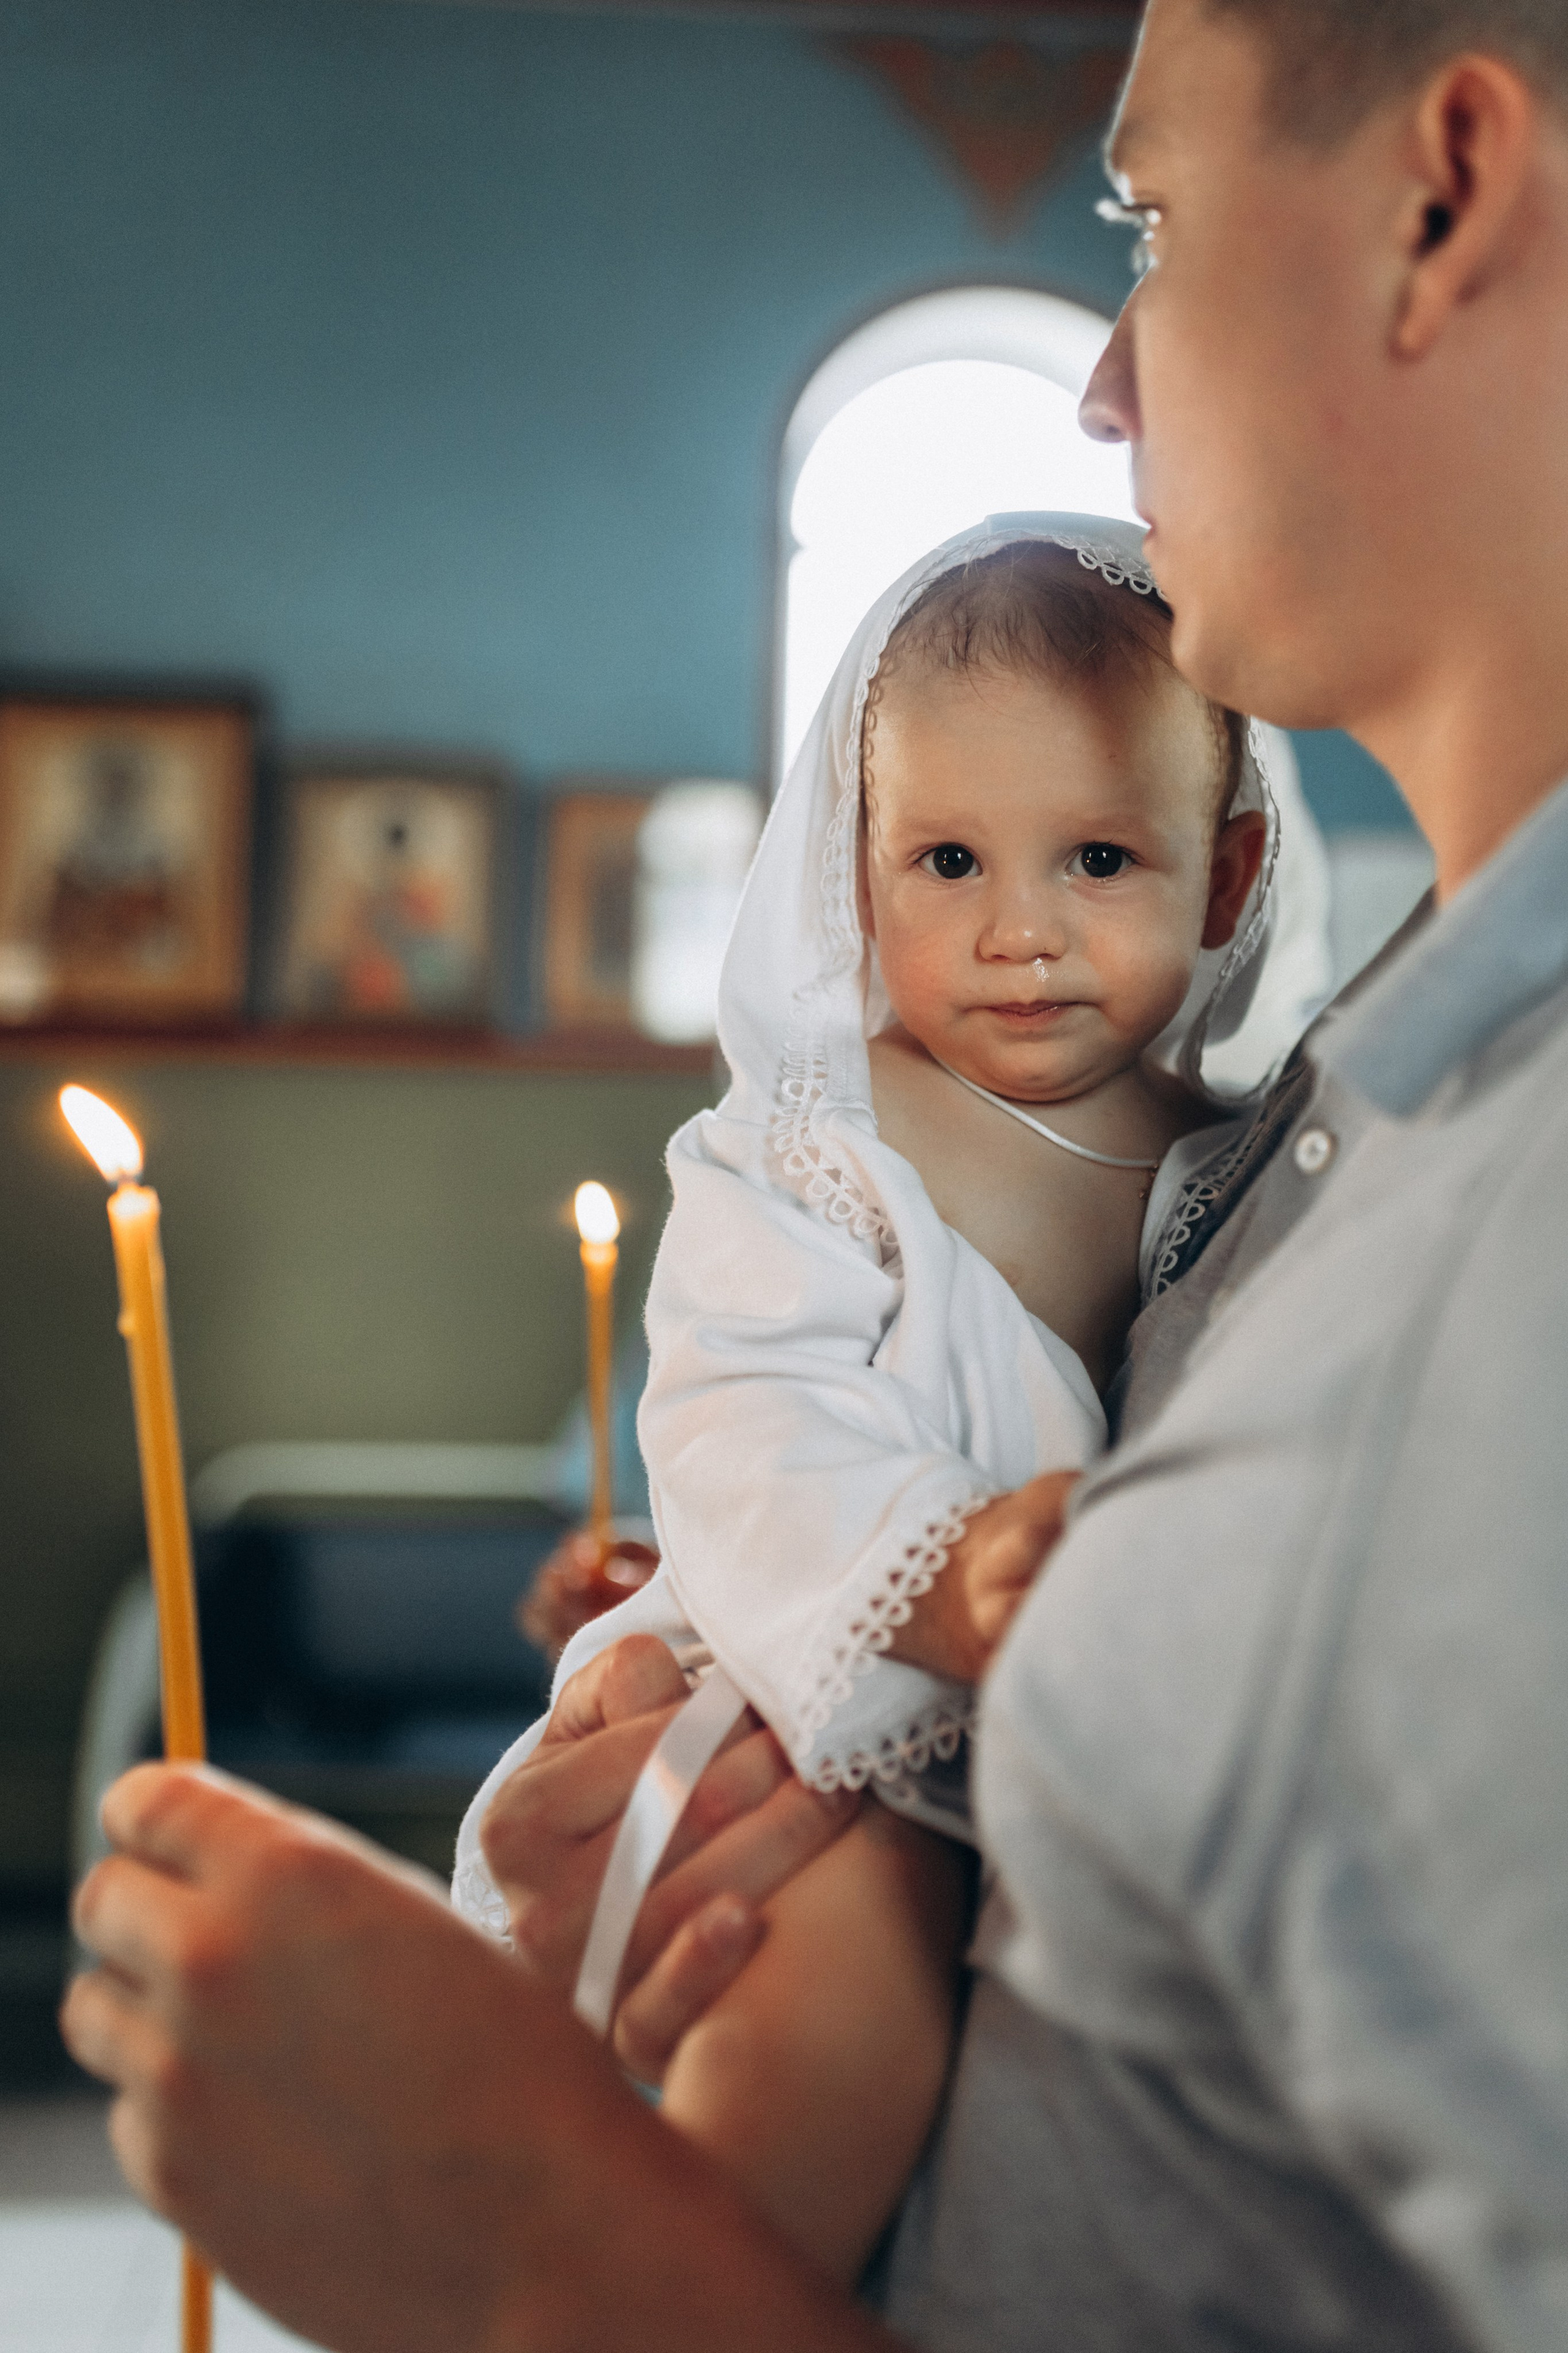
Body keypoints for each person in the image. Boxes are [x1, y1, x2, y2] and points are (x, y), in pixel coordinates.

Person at [59, 2, 1568, 2347]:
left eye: (1152, 220)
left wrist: (517, 2236)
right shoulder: (1349, 1096)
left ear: (1444, 193)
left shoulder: (1485, 1211)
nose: (1101, 383)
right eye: (948, 855)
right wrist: (784, 1601)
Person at [453, 519, 1278, 2279]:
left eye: (1102, 859)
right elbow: (741, 1417)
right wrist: (948, 1566)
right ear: (858, 869)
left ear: (1226, 877)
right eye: (951, 859)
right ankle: (694, 2298)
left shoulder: (1244, 1153)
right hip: (822, 1672)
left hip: (1096, 1744)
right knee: (840, 1965)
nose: (1019, 932)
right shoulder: (823, 1149)